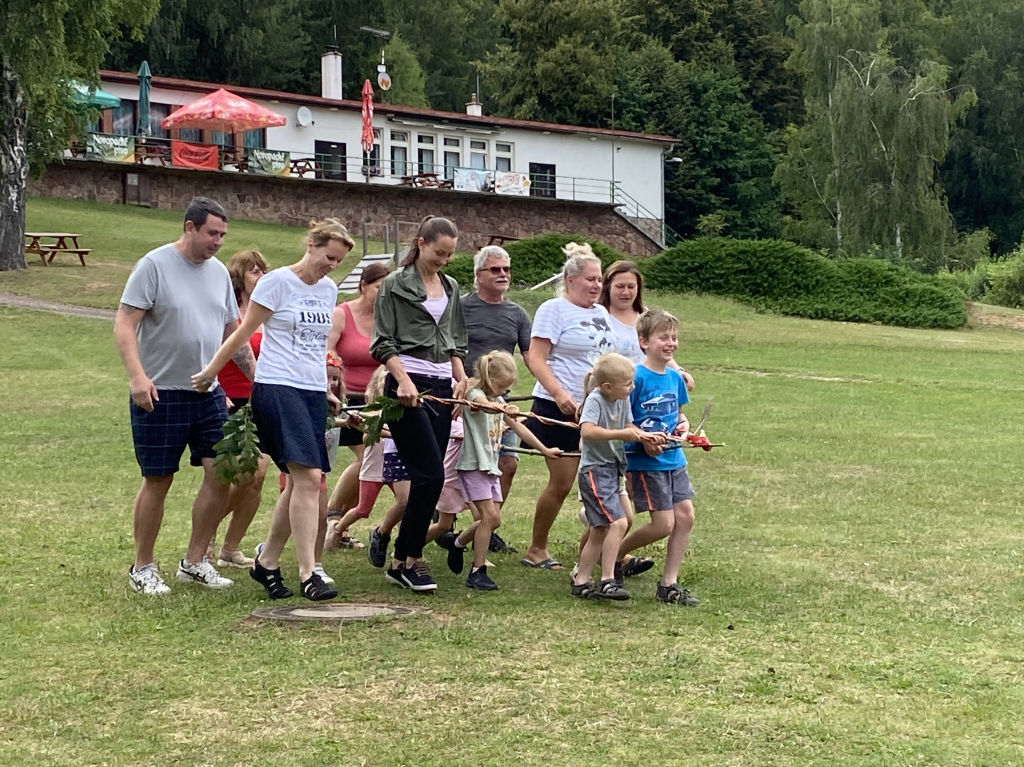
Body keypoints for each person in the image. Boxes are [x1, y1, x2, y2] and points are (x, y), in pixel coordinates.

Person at [191, 219, 353, 602]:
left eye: (339, 261)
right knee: (309, 477)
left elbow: (316, 347)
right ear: (311, 245)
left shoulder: (328, 289)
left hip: (310, 391)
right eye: (329, 257)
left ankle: (267, 563)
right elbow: (241, 332)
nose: (332, 266)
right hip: (277, 386)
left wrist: (326, 390)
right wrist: (211, 372)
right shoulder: (276, 282)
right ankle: (309, 572)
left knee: (299, 482)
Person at [115, 196, 254, 595]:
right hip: (160, 392)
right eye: (212, 233)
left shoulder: (218, 274)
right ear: (189, 227)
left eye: (223, 235)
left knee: (222, 470)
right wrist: (137, 377)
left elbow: (233, 333)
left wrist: (258, 380)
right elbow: (124, 323)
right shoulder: (154, 265)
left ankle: (195, 562)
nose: (218, 242)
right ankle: (143, 566)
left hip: (207, 392)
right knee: (158, 478)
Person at [371, 215, 468, 592]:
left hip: (442, 385)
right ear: (421, 243)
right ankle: (406, 558)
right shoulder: (395, 283)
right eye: (439, 252)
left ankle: (405, 560)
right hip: (407, 386)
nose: (444, 260)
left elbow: (454, 339)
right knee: (430, 474)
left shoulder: (451, 286)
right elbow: (382, 341)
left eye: (450, 255)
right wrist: (403, 379)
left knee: (430, 476)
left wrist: (461, 377)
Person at [521, 242, 617, 570]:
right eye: (590, 279)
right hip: (558, 406)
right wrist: (560, 394)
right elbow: (536, 358)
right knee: (562, 482)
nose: (596, 285)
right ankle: (537, 548)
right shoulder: (554, 309)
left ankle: (601, 548)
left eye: (599, 279)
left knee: (601, 480)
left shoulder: (601, 313)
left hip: (595, 409)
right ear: (570, 279)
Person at [441, 351, 560, 590]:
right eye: (500, 386)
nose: (503, 391)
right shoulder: (474, 394)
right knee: (490, 518)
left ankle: (458, 542)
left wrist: (544, 449)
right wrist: (503, 409)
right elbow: (484, 407)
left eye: (507, 388)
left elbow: (519, 428)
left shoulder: (499, 401)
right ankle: (478, 570)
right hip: (474, 465)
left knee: (493, 520)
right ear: (488, 379)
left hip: (490, 466)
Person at [619, 310, 700, 606]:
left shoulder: (675, 378)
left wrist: (683, 428)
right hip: (646, 461)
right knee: (663, 524)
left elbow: (679, 416)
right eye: (663, 337)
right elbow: (623, 422)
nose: (671, 343)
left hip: (674, 458)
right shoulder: (635, 378)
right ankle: (613, 556)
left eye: (674, 337)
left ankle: (669, 584)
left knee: (685, 517)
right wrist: (644, 439)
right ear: (644, 342)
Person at [571, 353, 662, 600]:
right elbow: (588, 431)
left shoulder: (622, 399)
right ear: (607, 386)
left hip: (613, 468)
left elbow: (629, 426)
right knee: (618, 523)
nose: (632, 387)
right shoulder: (595, 400)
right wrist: (622, 435)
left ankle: (581, 580)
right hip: (595, 471)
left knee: (600, 528)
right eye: (627, 384)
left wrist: (644, 436)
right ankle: (608, 579)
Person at [461, 245, 532, 553]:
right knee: (463, 464)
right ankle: (450, 518)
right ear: (479, 275)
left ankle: (488, 525)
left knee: (508, 463)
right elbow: (448, 349)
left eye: (506, 269)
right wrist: (460, 384)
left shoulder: (517, 314)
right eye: (495, 269)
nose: (503, 274)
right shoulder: (460, 308)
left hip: (500, 401)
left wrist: (555, 390)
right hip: (466, 400)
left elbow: (531, 357)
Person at [210, 248, 273, 569]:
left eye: (263, 270)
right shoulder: (227, 312)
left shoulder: (268, 312)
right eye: (254, 271)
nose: (261, 276)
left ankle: (230, 548)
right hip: (228, 400)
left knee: (256, 478)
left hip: (262, 399)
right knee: (236, 474)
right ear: (239, 277)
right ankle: (206, 531)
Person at [324, 262, 390, 550]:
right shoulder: (342, 314)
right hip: (347, 399)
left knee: (374, 462)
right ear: (363, 286)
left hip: (379, 400)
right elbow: (326, 351)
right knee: (367, 459)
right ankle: (333, 516)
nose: (383, 294)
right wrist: (332, 386)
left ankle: (338, 522)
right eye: (378, 288)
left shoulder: (389, 319)